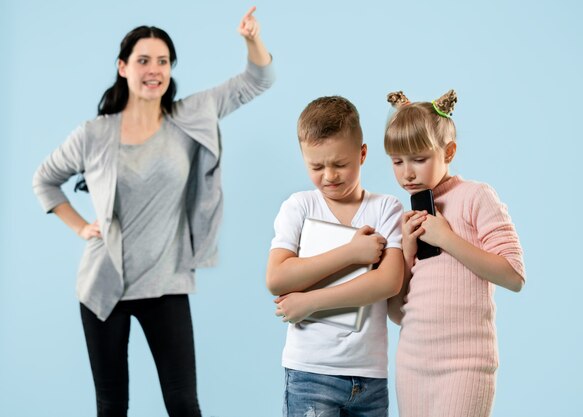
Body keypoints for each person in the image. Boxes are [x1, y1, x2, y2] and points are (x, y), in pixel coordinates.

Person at [32, 7, 274, 417]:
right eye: (143, 60)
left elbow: (257, 81)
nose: (154, 70)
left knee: (183, 403)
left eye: (163, 61)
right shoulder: (94, 134)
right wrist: (80, 227)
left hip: (166, 283)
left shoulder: (189, 117)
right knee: (112, 406)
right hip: (103, 287)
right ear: (122, 67)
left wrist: (251, 39)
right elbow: (45, 179)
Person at [384, 90, 526, 417]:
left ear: (449, 152)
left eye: (419, 159)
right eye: (397, 161)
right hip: (412, 364)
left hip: (466, 365)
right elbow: (398, 315)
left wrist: (446, 238)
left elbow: (513, 275)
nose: (407, 173)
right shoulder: (407, 219)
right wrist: (406, 251)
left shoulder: (476, 197)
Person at [266, 96, 404, 416]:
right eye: (316, 166)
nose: (329, 175)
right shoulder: (299, 207)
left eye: (340, 164)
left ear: (363, 154)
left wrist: (311, 301)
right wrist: (352, 252)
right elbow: (277, 278)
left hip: (370, 376)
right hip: (309, 373)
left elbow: (389, 281)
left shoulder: (386, 208)